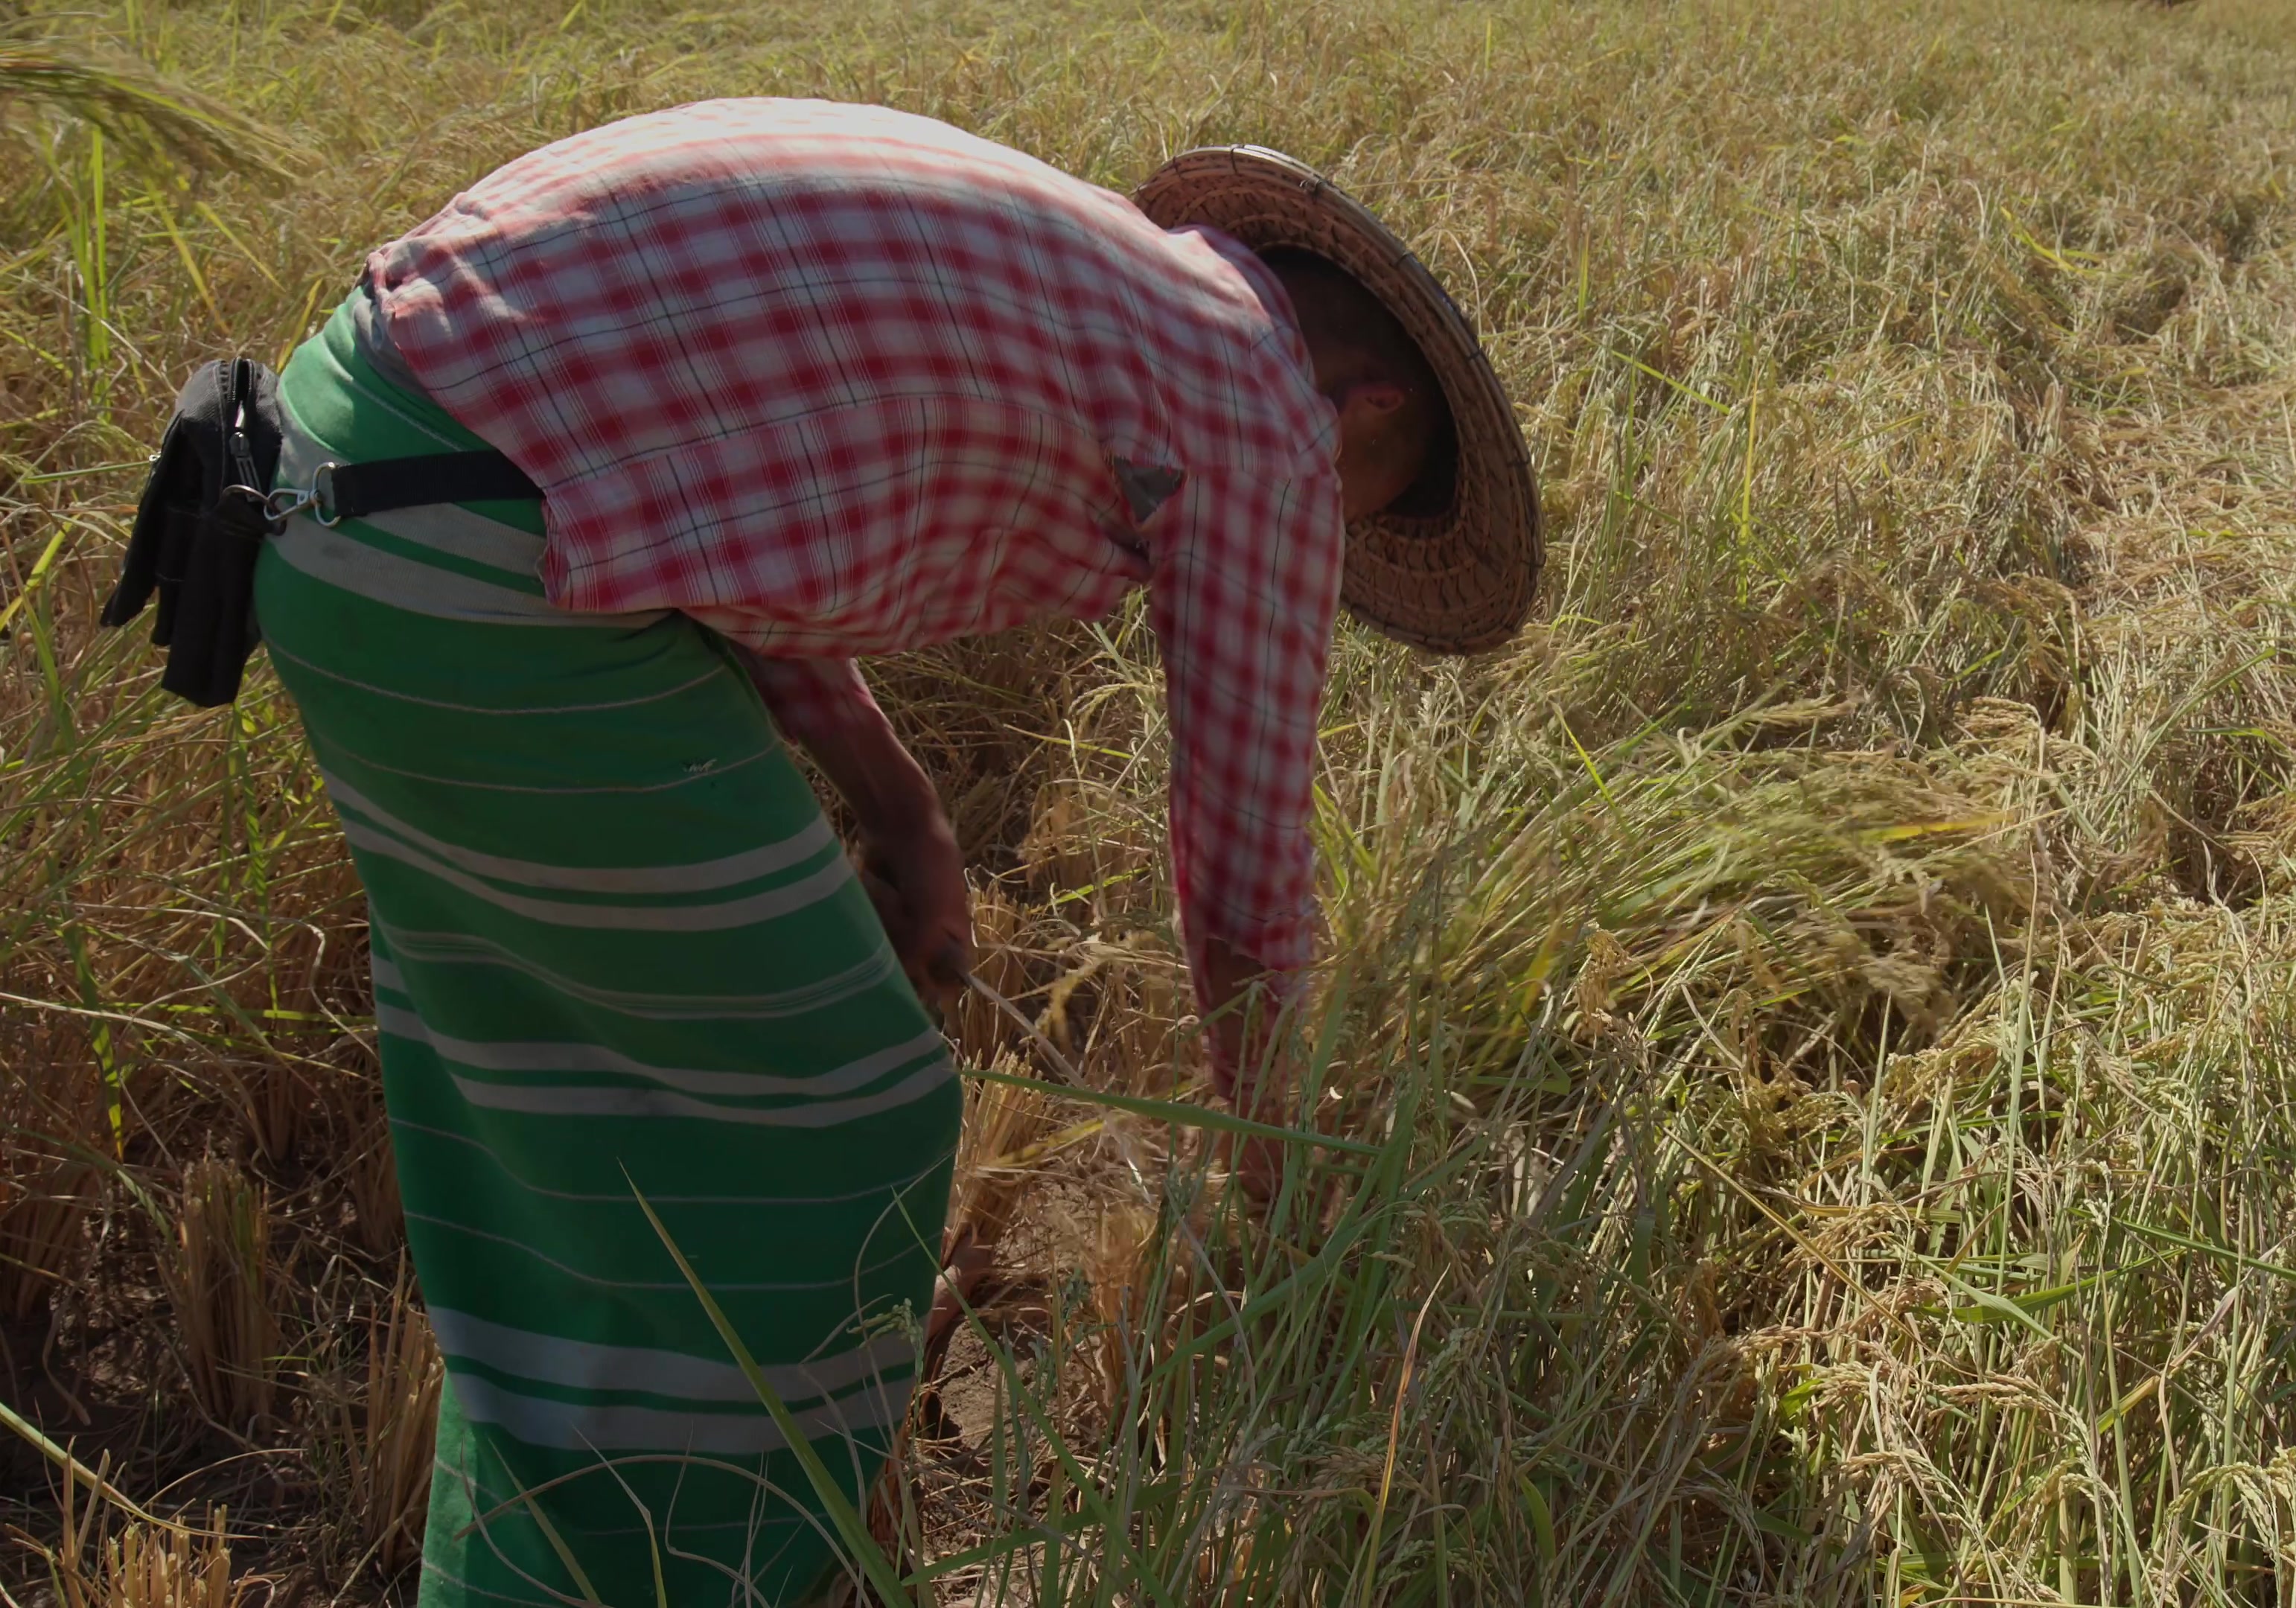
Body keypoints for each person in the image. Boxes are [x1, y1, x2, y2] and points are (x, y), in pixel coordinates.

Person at [214, 100, 1537, 1607]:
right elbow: (1245, 892)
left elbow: (701, 519)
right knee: (837, 1126)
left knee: (571, 1136)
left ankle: (561, 1567)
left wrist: (898, 808)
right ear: (1362, 414)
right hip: (469, 548)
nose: (1329, 532)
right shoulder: (1263, 405)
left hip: (347, 483)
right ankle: (698, 1575)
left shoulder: (1117, 280)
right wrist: (1288, 1176)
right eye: (1358, 514)